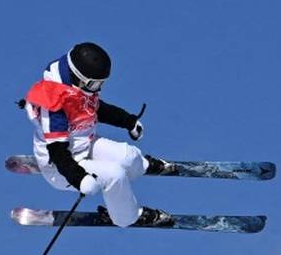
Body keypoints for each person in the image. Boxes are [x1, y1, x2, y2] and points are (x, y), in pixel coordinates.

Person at [18, 42, 173, 228]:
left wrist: (128, 121)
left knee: (128, 156)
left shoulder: (79, 88)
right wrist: (79, 178)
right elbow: (58, 153)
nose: (98, 88)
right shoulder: (54, 105)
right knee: (114, 175)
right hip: (62, 166)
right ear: (79, 77)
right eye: (95, 84)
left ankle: (142, 166)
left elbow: (97, 109)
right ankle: (128, 217)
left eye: (102, 83)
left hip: (84, 143)